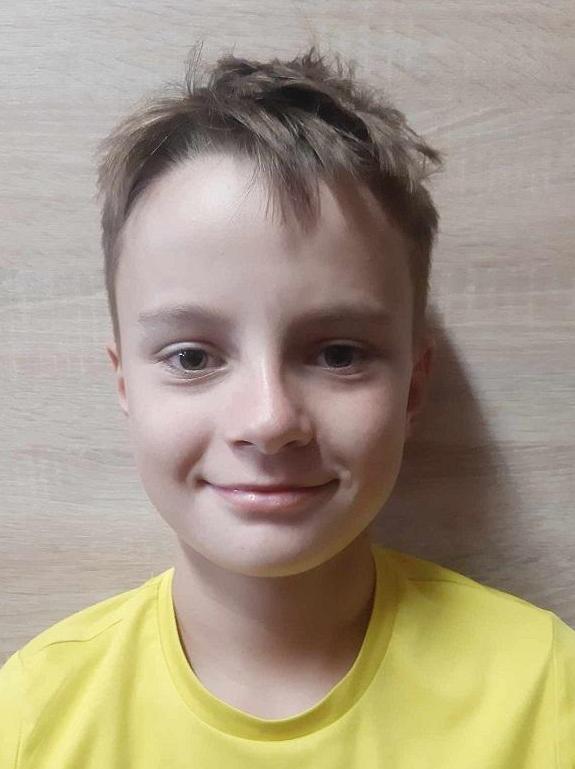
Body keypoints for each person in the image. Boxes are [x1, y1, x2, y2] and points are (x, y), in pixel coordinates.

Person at [1, 43, 573, 768]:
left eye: (338, 354)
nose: (269, 421)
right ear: (124, 385)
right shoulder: (31, 719)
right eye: (192, 357)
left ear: (413, 386)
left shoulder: (545, 692)